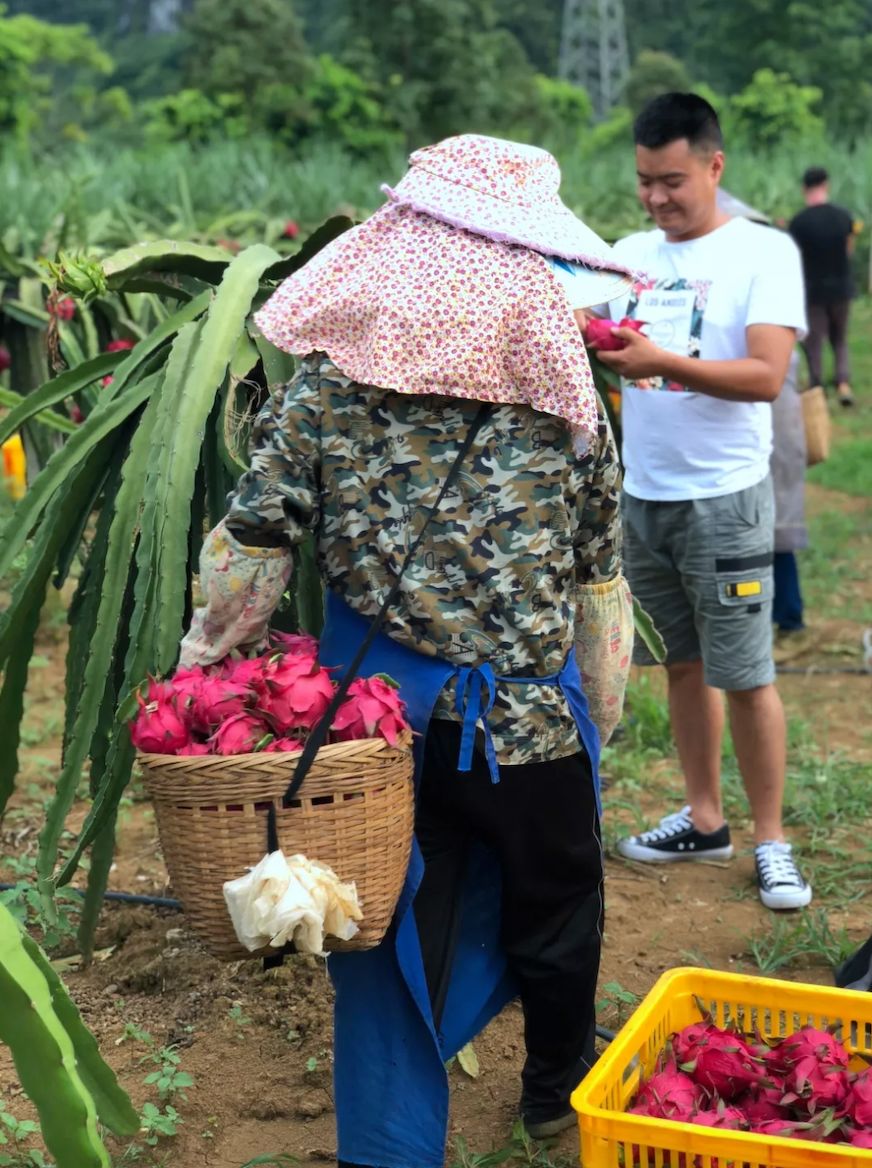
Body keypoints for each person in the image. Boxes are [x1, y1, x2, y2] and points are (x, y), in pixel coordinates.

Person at [178, 135, 635, 1167]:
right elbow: (598, 579)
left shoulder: (328, 390)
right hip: (527, 724)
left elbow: (253, 538)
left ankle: (387, 1141)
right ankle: (553, 1100)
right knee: (555, 913)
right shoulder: (564, 398)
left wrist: (203, 666)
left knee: (382, 935)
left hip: (371, 737)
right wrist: (592, 718)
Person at [592, 93, 812, 911]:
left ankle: (771, 840)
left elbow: (766, 377)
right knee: (681, 666)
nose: (657, 198)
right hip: (643, 498)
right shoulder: (626, 253)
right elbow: (602, 340)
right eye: (646, 181)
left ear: (714, 166)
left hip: (725, 499)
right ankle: (706, 817)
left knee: (746, 674)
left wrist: (660, 361)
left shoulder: (764, 253)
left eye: (673, 181)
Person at [789, 166, 859, 408]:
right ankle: (843, 384)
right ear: (826, 185)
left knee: (814, 340)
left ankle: (816, 385)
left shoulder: (798, 223)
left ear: (804, 189)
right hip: (841, 287)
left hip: (812, 292)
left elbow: (794, 259)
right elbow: (848, 250)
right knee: (839, 339)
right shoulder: (843, 216)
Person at [771, 349, 808, 638]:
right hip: (781, 430)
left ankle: (788, 613)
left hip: (778, 434)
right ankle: (787, 612)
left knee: (777, 532)